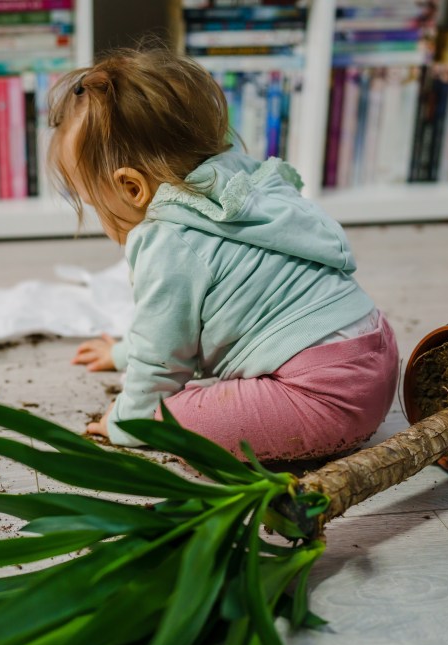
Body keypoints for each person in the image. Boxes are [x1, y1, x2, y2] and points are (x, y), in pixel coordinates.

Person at [50, 48, 399, 462]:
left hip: (326, 401)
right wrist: (123, 352)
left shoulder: (167, 236)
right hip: (378, 356)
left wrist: (130, 421)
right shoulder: (240, 180)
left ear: (131, 188)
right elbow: (167, 327)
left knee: (173, 420)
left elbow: (162, 357)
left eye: (93, 202)